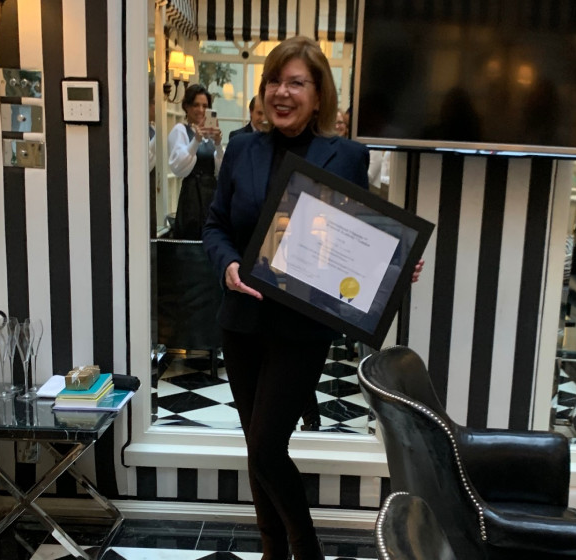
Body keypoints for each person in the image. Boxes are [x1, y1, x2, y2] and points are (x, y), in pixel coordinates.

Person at [203, 36, 422, 560]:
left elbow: (357, 237)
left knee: (266, 446)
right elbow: (215, 226)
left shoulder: (348, 156)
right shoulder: (242, 148)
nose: (282, 92)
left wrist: (392, 265)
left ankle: (305, 550)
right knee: (257, 447)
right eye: (274, 82)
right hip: (243, 320)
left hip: (302, 327)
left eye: (296, 83)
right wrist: (228, 264)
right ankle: (272, 551)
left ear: (319, 95)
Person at [167, 84, 224, 239]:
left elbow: (221, 170)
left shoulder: (209, 135)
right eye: (196, 105)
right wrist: (196, 140)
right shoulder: (180, 130)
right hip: (192, 197)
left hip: (211, 195)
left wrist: (218, 144)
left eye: (205, 106)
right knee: (191, 241)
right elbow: (179, 168)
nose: (201, 110)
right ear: (187, 107)